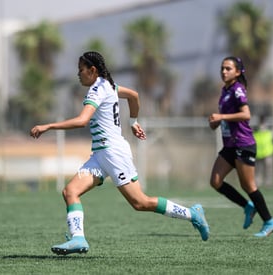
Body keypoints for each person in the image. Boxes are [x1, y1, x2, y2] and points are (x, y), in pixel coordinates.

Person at [30, 51, 209, 255]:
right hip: (100, 155)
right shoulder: (109, 85)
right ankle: (78, 239)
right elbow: (134, 95)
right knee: (70, 192)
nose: (78, 74)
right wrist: (133, 122)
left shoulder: (97, 90)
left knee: (140, 202)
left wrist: (48, 126)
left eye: (81, 70)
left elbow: (82, 121)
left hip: (113, 154)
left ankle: (192, 214)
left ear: (92, 70)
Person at [208, 56, 273, 237]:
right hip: (230, 145)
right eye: (222, 68)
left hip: (243, 143)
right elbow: (226, 118)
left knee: (248, 185)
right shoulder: (225, 91)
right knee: (215, 181)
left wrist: (222, 117)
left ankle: (269, 221)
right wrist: (216, 122)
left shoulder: (238, 89)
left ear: (238, 72)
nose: (224, 71)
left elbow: (246, 114)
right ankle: (248, 206)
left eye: (228, 69)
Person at [253, 115, 273, 187]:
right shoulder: (256, 131)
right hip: (258, 153)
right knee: (258, 170)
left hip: (267, 153)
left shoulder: (269, 130)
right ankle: (257, 183)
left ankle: (268, 183)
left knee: (268, 170)